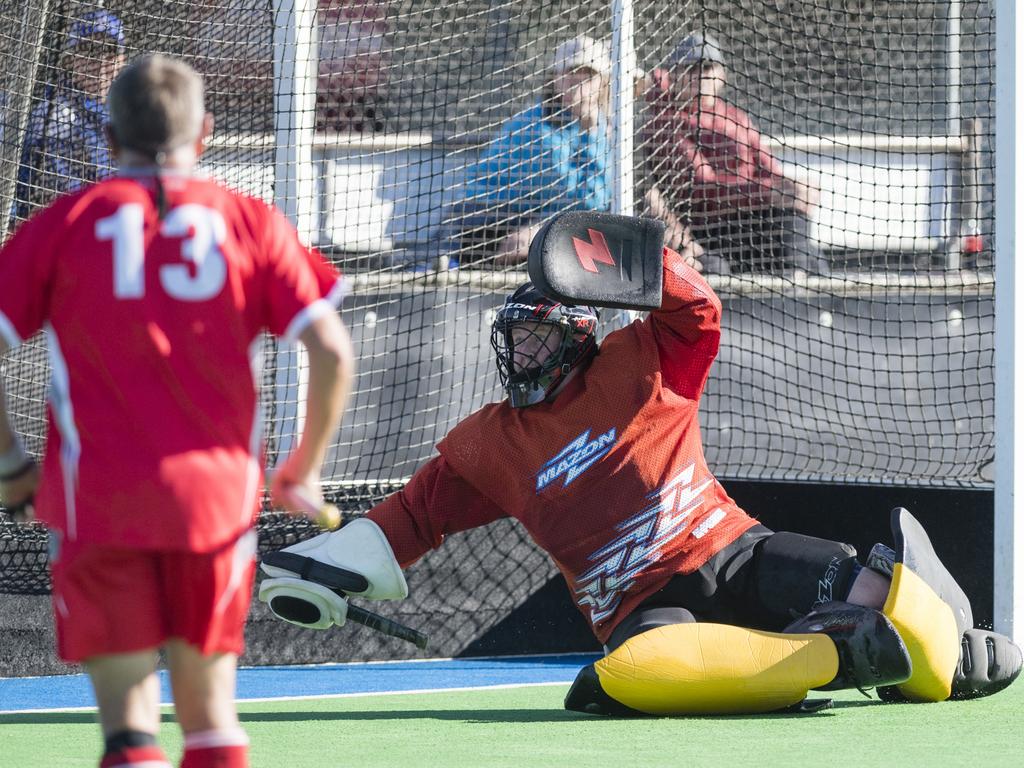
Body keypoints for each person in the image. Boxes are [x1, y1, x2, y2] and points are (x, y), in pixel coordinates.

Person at [258, 214, 1019, 715]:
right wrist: (316, 566)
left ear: (577, 335)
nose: (520, 354)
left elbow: (700, 311)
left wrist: (620, 254)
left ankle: (939, 636)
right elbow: (408, 523)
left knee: (861, 583)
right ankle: (833, 654)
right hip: (641, 606)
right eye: (512, 340)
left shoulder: (641, 359)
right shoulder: (487, 442)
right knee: (631, 673)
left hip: (736, 553)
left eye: (536, 338)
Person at [0, 55, 354, 768]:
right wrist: (303, 469)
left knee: (130, 734)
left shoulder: (64, 223)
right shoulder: (251, 222)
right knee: (212, 721)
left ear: (108, 137)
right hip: (215, 506)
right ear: (207, 133)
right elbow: (334, 351)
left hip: (97, 502)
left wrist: (12, 467)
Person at [644, 32, 829, 276]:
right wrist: (770, 191)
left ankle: (811, 299)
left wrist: (792, 189)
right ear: (675, 75)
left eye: (709, 67)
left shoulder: (737, 118)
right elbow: (700, 186)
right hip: (707, 229)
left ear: (722, 76)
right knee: (716, 268)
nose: (702, 76)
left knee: (801, 238)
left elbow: (769, 169)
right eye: (691, 69)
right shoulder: (666, 121)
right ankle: (796, 289)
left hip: (750, 221)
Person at [13, 9, 128, 221]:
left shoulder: (128, 115)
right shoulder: (56, 115)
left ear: (121, 60)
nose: (101, 62)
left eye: (110, 51)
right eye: (90, 50)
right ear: (71, 60)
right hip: (64, 226)